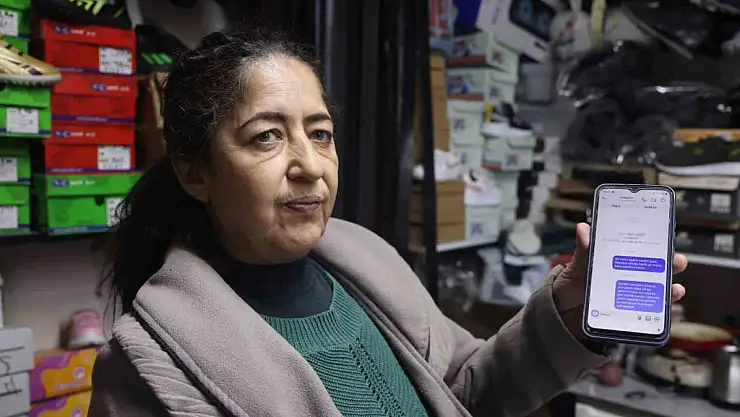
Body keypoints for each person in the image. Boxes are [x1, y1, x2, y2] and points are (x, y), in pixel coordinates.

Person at [89, 26, 687, 417]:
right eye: (267, 136)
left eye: (320, 134)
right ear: (196, 173)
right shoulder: (146, 363)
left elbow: (466, 391)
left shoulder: (367, 261)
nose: (310, 166)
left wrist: (565, 317)